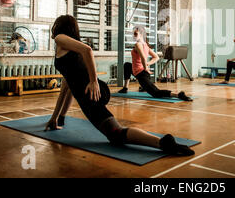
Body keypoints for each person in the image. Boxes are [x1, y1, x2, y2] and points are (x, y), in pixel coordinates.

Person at [45, 15, 195, 156]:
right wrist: (57, 117)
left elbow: (87, 50)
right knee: (115, 134)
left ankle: (163, 143)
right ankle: (163, 143)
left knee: (116, 134)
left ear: (60, 27)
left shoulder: (60, 39)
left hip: (90, 94)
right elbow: (67, 86)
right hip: (88, 94)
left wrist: (93, 81)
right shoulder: (67, 50)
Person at [117, 26, 193, 101]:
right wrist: (147, 64)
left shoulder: (138, 44)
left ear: (141, 34)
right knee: (127, 65)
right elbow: (156, 57)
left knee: (156, 93)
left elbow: (143, 57)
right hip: (138, 71)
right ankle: (125, 88)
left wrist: (146, 66)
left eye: (136, 34)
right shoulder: (145, 45)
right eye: (133, 34)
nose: (134, 36)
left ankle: (178, 95)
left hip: (141, 74)